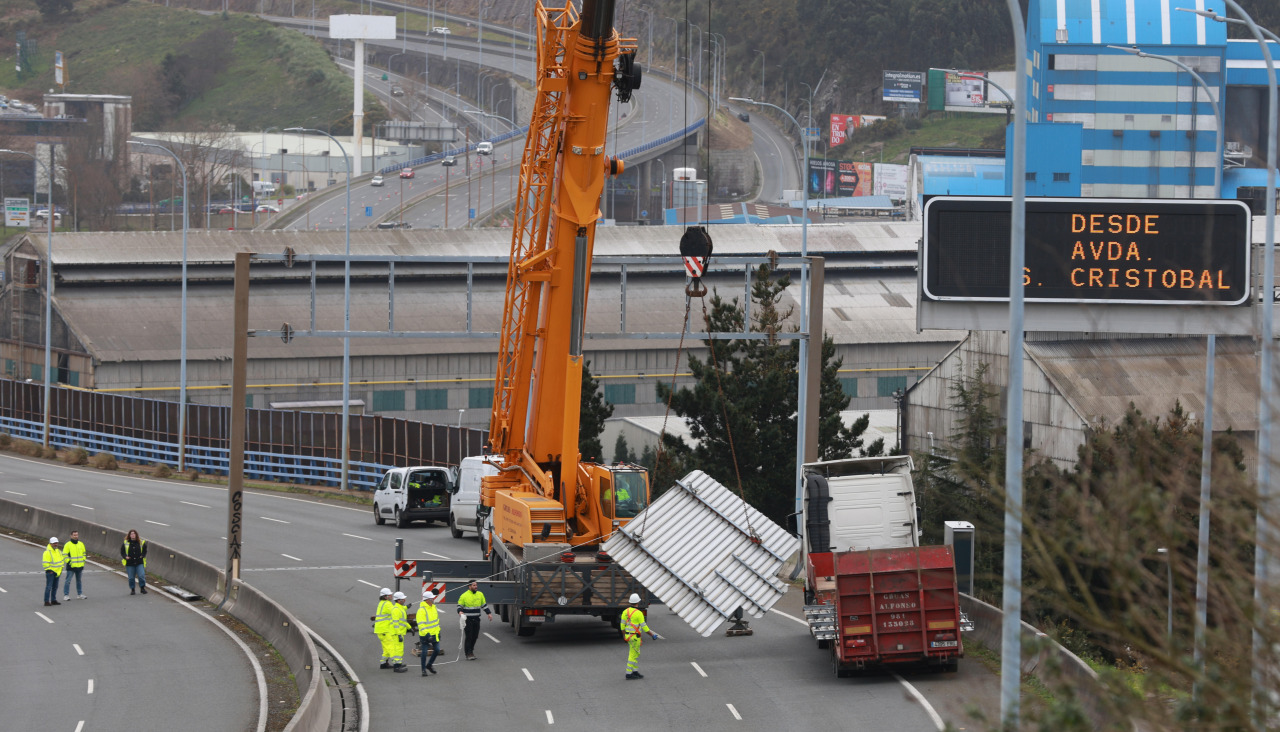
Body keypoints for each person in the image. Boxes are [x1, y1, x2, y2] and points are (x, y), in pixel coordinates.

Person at [621, 592, 658, 680]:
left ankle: (635, 671)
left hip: (628, 636)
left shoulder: (625, 612)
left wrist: (624, 636)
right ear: (638, 602)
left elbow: (622, 626)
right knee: (633, 655)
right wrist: (652, 635)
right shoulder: (639, 613)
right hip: (635, 637)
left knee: (635, 654)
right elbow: (645, 628)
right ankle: (628, 674)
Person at [456, 579, 493, 660]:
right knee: (469, 636)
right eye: (474, 585)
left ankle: (471, 651)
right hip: (467, 620)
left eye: (476, 585)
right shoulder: (464, 595)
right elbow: (459, 606)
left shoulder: (480, 594)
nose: (476, 587)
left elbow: (484, 605)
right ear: (469, 586)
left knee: (475, 636)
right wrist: (460, 612)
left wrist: (489, 613)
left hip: (476, 619)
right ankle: (468, 653)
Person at [416, 590, 442, 676]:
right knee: (424, 652)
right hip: (425, 635)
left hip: (434, 633)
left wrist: (438, 632)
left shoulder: (433, 607)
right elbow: (421, 625)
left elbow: (436, 621)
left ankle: (429, 665)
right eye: (431, 598)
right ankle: (423, 669)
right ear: (427, 600)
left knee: (437, 649)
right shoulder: (421, 610)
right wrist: (427, 634)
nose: (433, 599)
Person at [388, 591, 412, 673]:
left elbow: (403, 621)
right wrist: (399, 635)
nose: (404, 600)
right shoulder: (396, 610)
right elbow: (396, 623)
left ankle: (398, 664)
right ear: (398, 600)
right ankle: (396, 667)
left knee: (400, 649)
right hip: (396, 633)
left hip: (399, 632)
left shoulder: (400, 608)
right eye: (403, 599)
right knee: (397, 650)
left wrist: (410, 628)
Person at [371, 587, 395, 669]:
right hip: (384, 629)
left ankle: (383, 663)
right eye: (390, 595)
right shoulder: (387, 604)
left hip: (381, 629)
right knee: (391, 646)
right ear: (385, 596)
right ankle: (397, 664)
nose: (391, 596)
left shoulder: (382, 603)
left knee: (386, 648)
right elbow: (396, 612)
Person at [120, 529, 147, 595]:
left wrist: (142, 556)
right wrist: (125, 557)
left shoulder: (141, 542)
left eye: (134, 534)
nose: (132, 535)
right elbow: (122, 552)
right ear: (129, 535)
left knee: (141, 575)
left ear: (136, 535)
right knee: (131, 578)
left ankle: (142, 588)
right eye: (131, 534)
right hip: (130, 563)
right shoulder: (126, 543)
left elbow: (144, 551)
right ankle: (132, 589)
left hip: (139, 562)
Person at [62, 530, 87, 601]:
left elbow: (84, 553)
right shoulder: (68, 544)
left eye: (77, 535)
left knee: (79, 581)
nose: (76, 536)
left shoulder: (81, 544)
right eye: (74, 535)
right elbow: (64, 555)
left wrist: (83, 561)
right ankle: (66, 595)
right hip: (71, 566)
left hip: (80, 566)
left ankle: (80, 594)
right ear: (71, 536)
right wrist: (69, 562)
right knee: (68, 581)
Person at [42, 537, 64, 607]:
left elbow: (62, 560)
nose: (56, 544)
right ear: (50, 544)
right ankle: (46, 601)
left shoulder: (58, 551)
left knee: (55, 587)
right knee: (49, 587)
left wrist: (61, 569)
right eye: (54, 543)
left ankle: (53, 600)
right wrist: (49, 570)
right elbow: (45, 563)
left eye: (56, 543)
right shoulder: (47, 552)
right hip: (51, 572)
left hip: (57, 572)